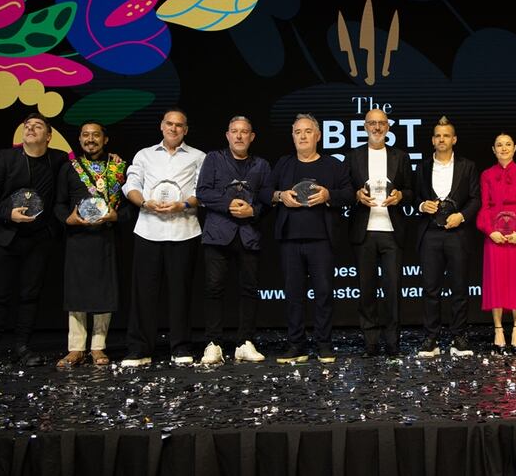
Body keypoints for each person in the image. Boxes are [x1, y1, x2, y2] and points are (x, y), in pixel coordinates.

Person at [0, 113, 70, 367]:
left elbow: (82, 169)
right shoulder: (6, 157)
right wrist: (7, 213)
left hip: (38, 239)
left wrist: (112, 159)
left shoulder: (58, 159)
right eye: (27, 126)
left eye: (37, 126)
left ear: (48, 136)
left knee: (30, 295)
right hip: (4, 236)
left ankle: (22, 346)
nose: (30, 129)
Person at [263, 114, 352, 364]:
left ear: (318, 136)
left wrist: (328, 195)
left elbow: (349, 193)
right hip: (290, 240)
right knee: (294, 294)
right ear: (293, 137)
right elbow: (264, 191)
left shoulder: (333, 165)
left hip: (322, 240)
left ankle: (324, 344)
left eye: (308, 131)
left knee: (324, 293)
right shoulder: (284, 164)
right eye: (298, 132)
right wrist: (280, 196)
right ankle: (296, 345)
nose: (302, 136)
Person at [120, 109, 205, 367]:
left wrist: (184, 205)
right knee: (143, 293)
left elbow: (202, 190)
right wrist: (144, 202)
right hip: (149, 229)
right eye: (169, 124)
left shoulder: (199, 156)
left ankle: (180, 347)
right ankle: (139, 350)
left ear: (185, 130)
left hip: (184, 230)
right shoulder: (144, 155)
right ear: (161, 126)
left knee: (181, 292)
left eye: (179, 125)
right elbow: (131, 185)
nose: (173, 128)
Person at [196, 115, 271, 364]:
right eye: (234, 131)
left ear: (252, 136)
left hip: (248, 234)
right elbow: (202, 192)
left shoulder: (261, 165)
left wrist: (254, 211)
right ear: (227, 135)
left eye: (244, 131)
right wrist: (228, 204)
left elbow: (267, 200)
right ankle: (213, 343)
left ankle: (244, 342)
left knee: (249, 289)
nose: (239, 136)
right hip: (218, 234)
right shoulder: (213, 159)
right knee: (214, 288)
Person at [53, 121, 129, 367]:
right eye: (85, 135)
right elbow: (58, 203)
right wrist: (68, 219)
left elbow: (129, 206)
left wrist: (117, 217)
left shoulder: (118, 167)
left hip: (106, 237)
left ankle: (98, 347)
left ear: (105, 139)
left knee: (104, 292)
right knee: (76, 292)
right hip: (78, 238)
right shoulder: (69, 168)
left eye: (96, 135)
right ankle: (75, 348)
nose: (90, 139)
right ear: (79, 139)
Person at [344, 108, 412, 357]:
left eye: (381, 123)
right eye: (372, 123)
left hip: (392, 231)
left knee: (392, 290)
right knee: (366, 290)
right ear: (364, 127)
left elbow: (411, 191)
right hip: (364, 232)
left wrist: (401, 195)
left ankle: (393, 342)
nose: (376, 127)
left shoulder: (400, 156)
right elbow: (344, 190)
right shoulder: (353, 156)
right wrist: (356, 195)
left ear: (388, 127)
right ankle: (370, 342)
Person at [415, 117, 480, 358]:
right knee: (430, 289)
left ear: (454, 139)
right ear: (433, 140)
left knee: (459, 288)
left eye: (446, 135)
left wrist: (461, 216)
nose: (442, 139)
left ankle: (459, 337)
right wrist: (422, 205)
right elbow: (414, 196)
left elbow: (475, 198)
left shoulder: (467, 166)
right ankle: (431, 338)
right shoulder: (422, 167)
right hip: (430, 233)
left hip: (457, 233)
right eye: (438, 136)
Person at [476, 133, 516, 350]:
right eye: (499, 145)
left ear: (515, 148)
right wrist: (490, 231)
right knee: (496, 281)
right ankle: (498, 328)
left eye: (508, 144)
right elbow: (484, 205)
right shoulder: (486, 175)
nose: (503, 148)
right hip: (495, 235)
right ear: (493, 150)